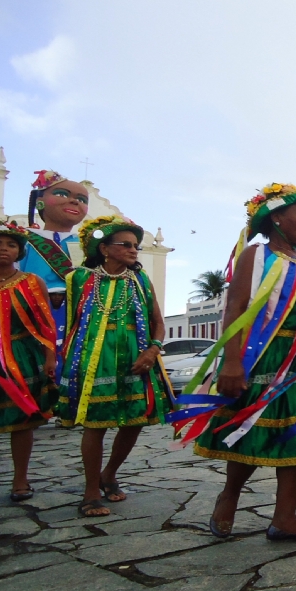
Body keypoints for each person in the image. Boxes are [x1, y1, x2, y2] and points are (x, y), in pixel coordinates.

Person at [170, 182, 296, 541]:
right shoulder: (256, 255)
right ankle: (230, 495)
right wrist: (232, 363)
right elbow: (235, 307)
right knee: (251, 428)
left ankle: (285, 518)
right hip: (264, 355)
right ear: (278, 219)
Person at [56, 215, 173, 517]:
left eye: (136, 245)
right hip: (95, 360)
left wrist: (153, 350)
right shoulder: (78, 279)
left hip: (136, 359)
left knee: (133, 422)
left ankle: (110, 473)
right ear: (104, 248)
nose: (134, 250)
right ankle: (90, 491)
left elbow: (158, 323)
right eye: (126, 244)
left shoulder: (140, 280)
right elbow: (71, 324)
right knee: (96, 423)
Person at [0, 222, 57, 502]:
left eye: (11, 245)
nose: (4, 249)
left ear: (19, 251)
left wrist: (50, 357)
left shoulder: (30, 282)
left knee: (22, 421)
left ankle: (20, 480)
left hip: (22, 356)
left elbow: (45, 323)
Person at [20, 170, 90, 346]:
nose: (75, 201)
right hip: (30, 311)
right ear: (40, 202)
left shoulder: (87, 244)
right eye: (62, 194)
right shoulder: (23, 240)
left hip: (76, 314)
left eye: (82, 199)